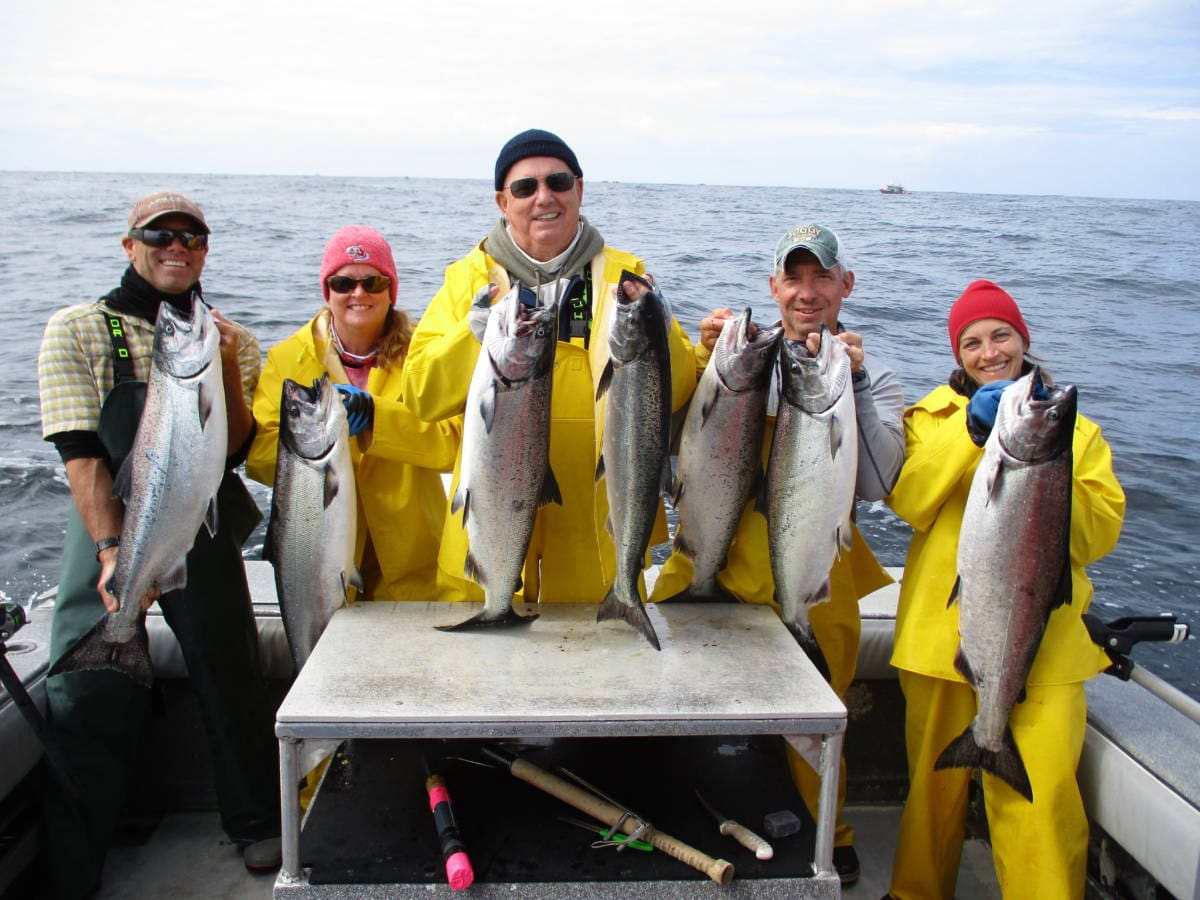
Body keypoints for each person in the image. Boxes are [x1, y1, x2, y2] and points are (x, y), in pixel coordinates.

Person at [36, 191, 281, 896]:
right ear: (130, 245)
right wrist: (112, 552)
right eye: (159, 235)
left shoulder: (232, 339)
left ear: (206, 250)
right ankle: (78, 850)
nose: (177, 247)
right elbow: (82, 455)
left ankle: (253, 820)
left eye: (192, 237)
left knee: (229, 670)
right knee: (87, 683)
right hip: (109, 519)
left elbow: (232, 451)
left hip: (198, 517)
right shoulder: (78, 328)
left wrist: (226, 366)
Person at [651, 224, 906, 885]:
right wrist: (698, 360)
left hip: (815, 576)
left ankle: (829, 837)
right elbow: (669, 442)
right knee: (681, 710)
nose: (807, 292)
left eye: (823, 277)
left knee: (815, 729)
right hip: (715, 567)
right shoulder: (738, 357)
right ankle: (692, 823)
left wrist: (853, 384)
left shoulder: (873, 377)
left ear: (847, 285)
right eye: (794, 279)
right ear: (774, 287)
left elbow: (879, 483)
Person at [883, 280, 1125, 899]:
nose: (989, 352)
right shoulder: (930, 419)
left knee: (1040, 801)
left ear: (1024, 340)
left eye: (1001, 336)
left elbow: (1098, 536)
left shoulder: (1075, 432)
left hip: (1042, 645)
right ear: (957, 353)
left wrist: (1048, 469)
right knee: (931, 791)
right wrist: (969, 433)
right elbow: (907, 499)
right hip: (939, 642)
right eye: (972, 342)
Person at [401, 128, 696, 605]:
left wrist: (656, 327)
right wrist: (470, 336)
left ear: (579, 189)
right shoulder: (467, 280)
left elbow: (676, 389)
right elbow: (421, 395)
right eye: (525, 187)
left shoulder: (626, 277)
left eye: (558, 182)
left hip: (595, 543)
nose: (544, 197)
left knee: (601, 654)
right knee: (478, 649)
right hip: (486, 534)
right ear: (503, 202)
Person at [247, 225, 461, 600]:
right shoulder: (286, 359)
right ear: (327, 291)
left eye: (373, 283)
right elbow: (261, 460)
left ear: (391, 291)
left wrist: (377, 418)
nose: (358, 294)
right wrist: (317, 437)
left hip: (416, 557)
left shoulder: (426, 355)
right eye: (343, 283)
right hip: (320, 554)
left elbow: (453, 445)